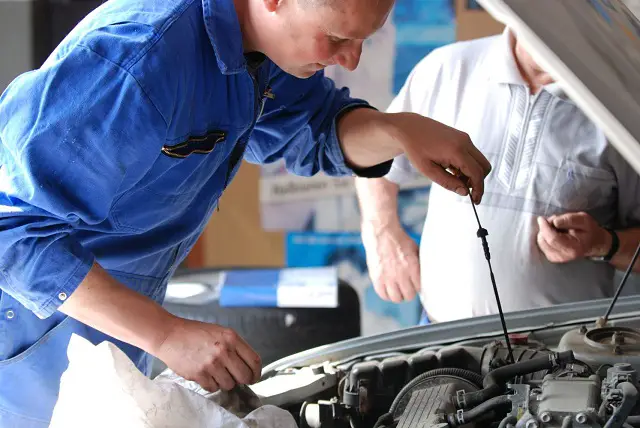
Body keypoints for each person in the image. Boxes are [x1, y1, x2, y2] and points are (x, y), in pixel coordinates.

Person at [0, 0, 492, 425]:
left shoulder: (264, 46)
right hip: (24, 345)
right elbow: (10, 232)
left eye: (364, 38)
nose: (351, 58)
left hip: (110, 333)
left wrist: (400, 130)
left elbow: (316, 125)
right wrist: (167, 332)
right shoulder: (137, 61)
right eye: (338, 37)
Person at [356, 27, 640, 323]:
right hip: (441, 341)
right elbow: (372, 158)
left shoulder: (622, 105)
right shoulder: (448, 68)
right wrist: (382, 234)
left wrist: (603, 244)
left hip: (567, 356)